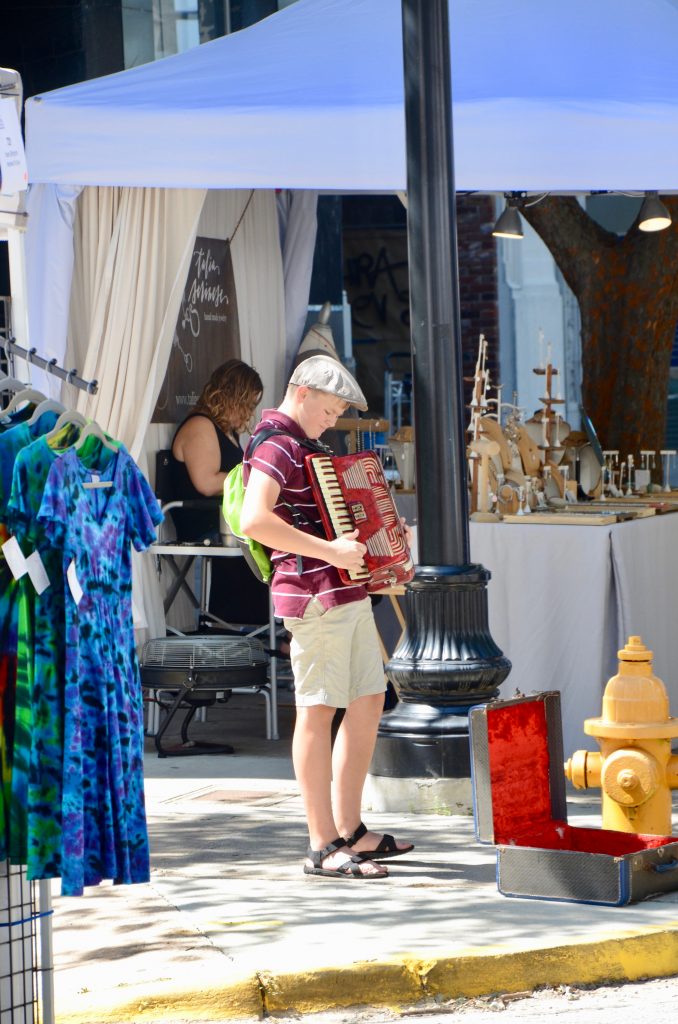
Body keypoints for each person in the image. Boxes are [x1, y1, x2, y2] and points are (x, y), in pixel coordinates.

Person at [240, 354, 414, 879]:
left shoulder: (307, 448)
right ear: (302, 392)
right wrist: (331, 551)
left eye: (339, 412)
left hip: (345, 590)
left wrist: (378, 550)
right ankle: (321, 843)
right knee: (318, 710)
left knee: (367, 701)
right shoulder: (277, 445)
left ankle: (352, 830)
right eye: (330, 408)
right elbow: (255, 519)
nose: (333, 420)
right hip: (313, 594)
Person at [169, 358, 269, 626]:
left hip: (225, 519)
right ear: (231, 398)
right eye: (247, 405)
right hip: (204, 522)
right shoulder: (200, 426)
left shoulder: (227, 430)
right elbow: (207, 483)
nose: (249, 413)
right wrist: (254, 481)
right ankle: (254, 624)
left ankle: (269, 624)